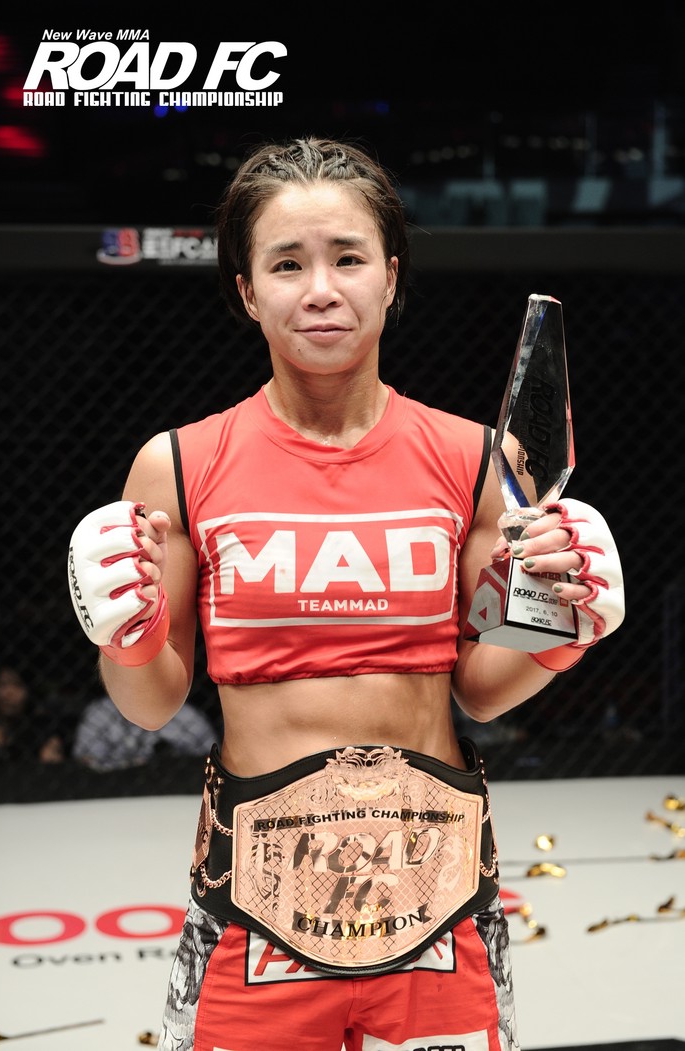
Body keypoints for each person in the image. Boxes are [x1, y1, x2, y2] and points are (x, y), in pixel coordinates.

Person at [67, 137, 625, 1051]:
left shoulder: (477, 458)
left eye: (348, 258)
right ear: (248, 291)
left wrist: (566, 631)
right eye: (287, 263)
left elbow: (481, 688)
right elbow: (153, 701)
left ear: (390, 278)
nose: (320, 289)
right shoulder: (177, 464)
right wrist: (123, 636)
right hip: (254, 905)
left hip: (437, 894)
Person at [72, 692, 214, 771]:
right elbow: (86, 763)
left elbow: (212, 762)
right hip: (115, 788)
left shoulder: (187, 716)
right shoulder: (100, 712)